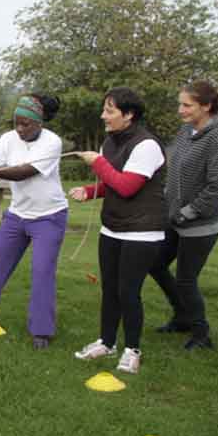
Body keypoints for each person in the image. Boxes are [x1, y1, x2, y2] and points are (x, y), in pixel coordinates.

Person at [0, 95, 68, 350]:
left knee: (42, 272)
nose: (19, 129)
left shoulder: (52, 142)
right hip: (17, 215)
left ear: (39, 122)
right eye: (16, 123)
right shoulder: (8, 139)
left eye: (25, 124)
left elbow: (22, 173)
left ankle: (41, 330)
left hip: (49, 216)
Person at [70, 88, 166, 374]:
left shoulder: (147, 146)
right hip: (112, 228)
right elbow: (112, 182)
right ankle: (107, 342)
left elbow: (127, 186)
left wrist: (97, 163)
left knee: (128, 292)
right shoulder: (109, 142)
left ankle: (132, 350)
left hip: (142, 231)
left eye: (109, 111)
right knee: (110, 289)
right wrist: (90, 191)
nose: (103, 116)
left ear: (129, 114)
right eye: (104, 109)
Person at [148, 80, 218, 350]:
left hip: (200, 223)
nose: (180, 110)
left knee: (186, 279)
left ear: (206, 106)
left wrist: (188, 212)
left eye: (187, 105)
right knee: (155, 263)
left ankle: (201, 333)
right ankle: (182, 316)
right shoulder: (186, 131)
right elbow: (175, 170)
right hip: (174, 217)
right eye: (180, 104)